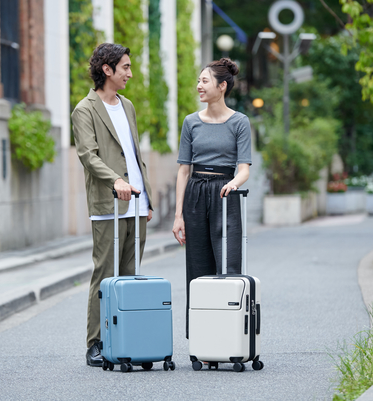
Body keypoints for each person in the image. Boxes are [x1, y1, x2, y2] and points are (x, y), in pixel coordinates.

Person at [72, 43, 153, 367]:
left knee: (131, 275)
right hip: (109, 202)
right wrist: (115, 181)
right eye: (126, 68)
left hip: (137, 201)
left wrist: (144, 195)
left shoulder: (128, 106)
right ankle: (95, 342)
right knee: (105, 274)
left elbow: (132, 155)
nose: (130, 74)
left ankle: (127, 338)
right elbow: (87, 155)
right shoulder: (85, 110)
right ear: (107, 69)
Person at [172, 58, 252, 338]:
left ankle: (228, 336)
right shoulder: (191, 122)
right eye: (199, 81)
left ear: (222, 86)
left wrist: (232, 184)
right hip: (195, 192)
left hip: (225, 193)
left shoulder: (239, 122)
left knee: (228, 265)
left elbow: (244, 168)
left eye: (204, 81)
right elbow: (183, 171)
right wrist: (178, 215)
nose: (199, 86)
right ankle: (202, 339)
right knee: (198, 267)